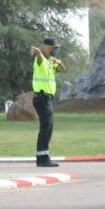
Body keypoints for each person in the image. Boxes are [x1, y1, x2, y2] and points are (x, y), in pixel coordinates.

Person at [30, 37, 65, 167]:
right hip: (42, 98)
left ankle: (42, 157)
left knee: (47, 128)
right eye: (55, 48)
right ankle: (43, 159)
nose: (56, 50)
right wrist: (38, 52)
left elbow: (63, 70)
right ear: (49, 47)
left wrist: (58, 62)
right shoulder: (41, 60)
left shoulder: (51, 61)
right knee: (46, 128)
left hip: (47, 98)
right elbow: (39, 56)